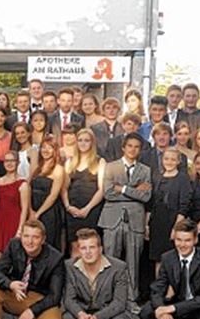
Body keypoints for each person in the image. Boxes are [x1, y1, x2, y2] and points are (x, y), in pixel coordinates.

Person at [97, 133, 152, 308]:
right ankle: (108, 299)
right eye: (130, 146)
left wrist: (123, 188)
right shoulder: (111, 167)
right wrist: (134, 191)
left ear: (140, 149)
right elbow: (108, 193)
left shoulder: (145, 170)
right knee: (110, 260)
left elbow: (146, 196)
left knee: (133, 262)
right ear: (123, 147)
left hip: (135, 221)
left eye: (136, 147)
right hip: (112, 219)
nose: (132, 149)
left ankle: (131, 299)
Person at [63, 228, 134, 319]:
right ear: (79, 250)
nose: (88, 252)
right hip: (84, 311)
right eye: (83, 248)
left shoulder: (119, 267)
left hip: (108, 313)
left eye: (92, 247)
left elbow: (119, 303)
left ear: (100, 249)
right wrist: (81, 314)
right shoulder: (69, 266)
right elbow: (69, 299)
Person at [148, 147, 192, 267]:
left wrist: (176, 228)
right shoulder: (157, 177)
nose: (169, 162)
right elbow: (151, 203)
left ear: (178, 161)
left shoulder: (183, 178)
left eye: (173, 159)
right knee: (158, 259)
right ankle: (160, 286)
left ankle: (173, 286)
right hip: (157, 224)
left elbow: (184, 205)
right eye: (166, 159)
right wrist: (146, 224)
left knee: (173, 260)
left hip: (173, 222)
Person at [62, 129, 105, 248]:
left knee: (91, 246)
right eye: (80, 140)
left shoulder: (100, 161)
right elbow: (64, 188)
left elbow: (101, 189)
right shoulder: (70, 162)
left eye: (87, 140)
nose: (83, 143)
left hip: (92, 210)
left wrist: (87, 209)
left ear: (92, 142)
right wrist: (68, 207)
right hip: (72, 210)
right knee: (75, 246)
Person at [0, 152, 30, 257]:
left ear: (17, 162)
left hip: (14, 222)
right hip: (0, 222)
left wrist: (20, 229)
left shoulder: (23, 183)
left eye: (12, 161)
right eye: (7, 161)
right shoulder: (0, 181)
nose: (9, 163)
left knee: (12, 255)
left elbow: (24, 209)